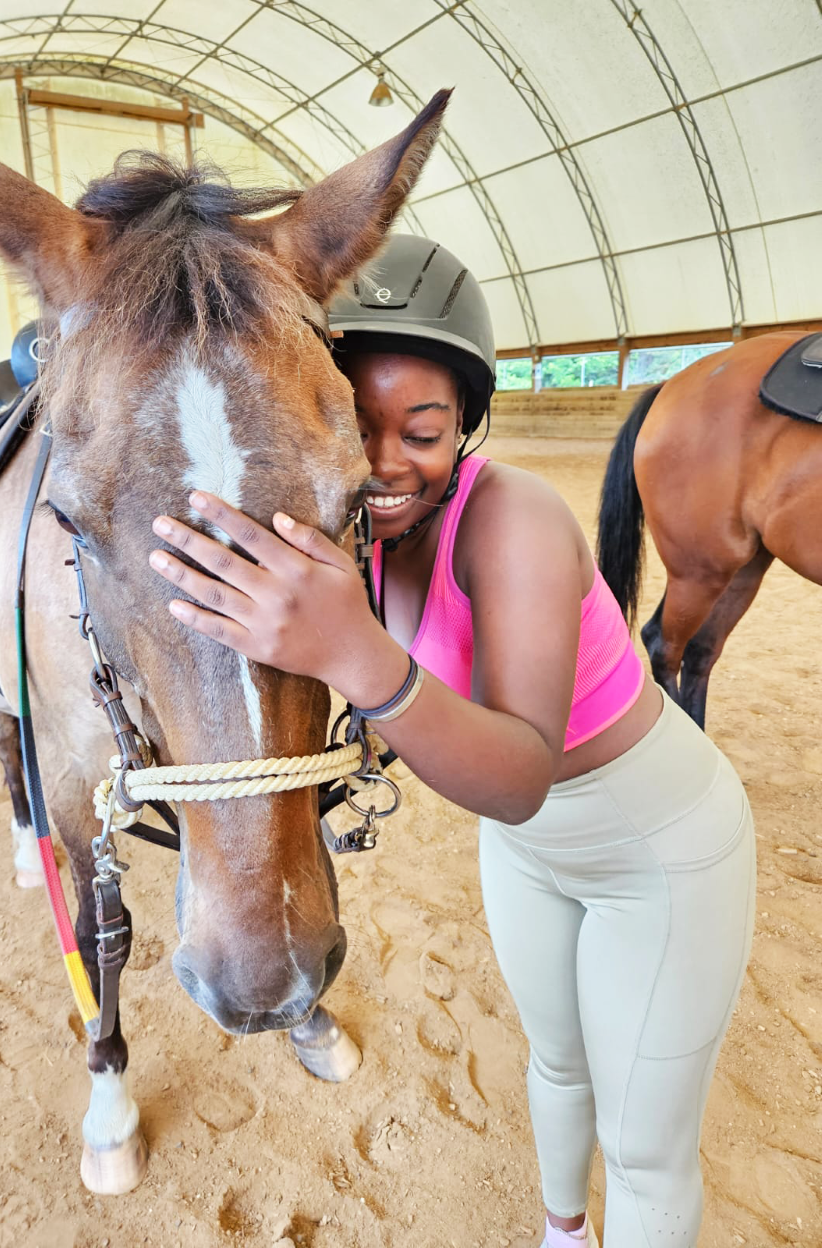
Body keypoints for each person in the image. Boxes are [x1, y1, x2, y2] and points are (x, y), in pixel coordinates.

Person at [148, 236, 755, 1248]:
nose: (388, 463)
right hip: (530, 852)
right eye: (357, 425)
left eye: (424, 431)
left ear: (466, 428)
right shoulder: (349, 533)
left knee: (646, 1149)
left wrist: (354, 653)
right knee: (556, 1064)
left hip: (657, 850)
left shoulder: (510, 518)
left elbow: (519, 776)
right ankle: (564, 1233)